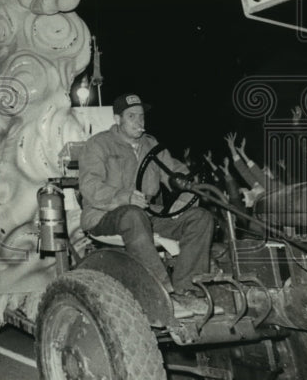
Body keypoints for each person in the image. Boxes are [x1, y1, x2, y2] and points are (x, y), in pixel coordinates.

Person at [79, 93, 215, 317]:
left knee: (200, 218)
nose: (139, 122)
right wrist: (124, 197)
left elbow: (176, 172)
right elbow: (90, 186)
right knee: (132, 215)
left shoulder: (153, 146)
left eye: (141, 116)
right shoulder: (98, 144)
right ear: (117, 119)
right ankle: (162, 292)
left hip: (147, 214)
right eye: (131, 116)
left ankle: (187, 290)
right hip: (105, 215)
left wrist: (182, 200)